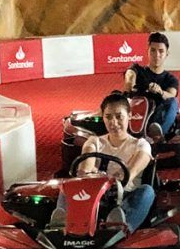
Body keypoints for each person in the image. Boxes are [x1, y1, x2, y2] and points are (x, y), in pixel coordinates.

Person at [51, 91, 155, 234]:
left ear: (130, 116)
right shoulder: (94, 141)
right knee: (68, 185)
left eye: (119, 116)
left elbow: (132, 171)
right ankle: (62, 226)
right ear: (103, 118)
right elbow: (86, 164)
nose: (114, 122)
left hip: (124, 196)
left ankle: (120, 227)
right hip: (95, 193)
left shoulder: (141, 144)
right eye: (108, 117)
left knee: (147, 192)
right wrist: (87, 171)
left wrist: (112, 178)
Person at [123, 31, 179, 141]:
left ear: (167, 53)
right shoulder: (137, 70)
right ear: (147, 51)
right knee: (115, 97)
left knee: (173, 102)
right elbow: (129, 78)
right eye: (153, 50)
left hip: (156, 118)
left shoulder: (171, 79)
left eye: (161, 51)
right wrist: (131, 81)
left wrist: (160, 91)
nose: (156, 55)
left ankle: (157, 135)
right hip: (134, 113)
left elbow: (171, 94)